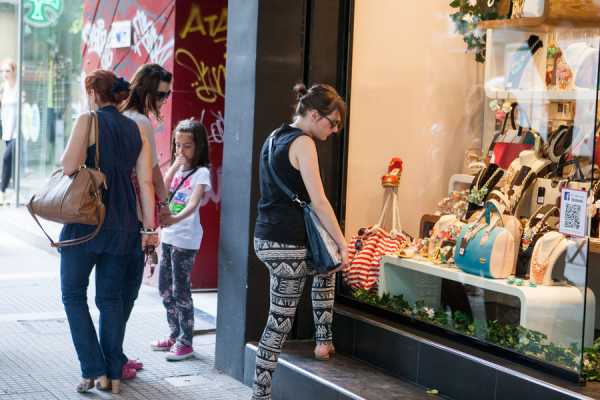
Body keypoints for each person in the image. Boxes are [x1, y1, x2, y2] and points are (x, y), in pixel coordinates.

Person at [59, 70, 157, 394]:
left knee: (73, 295)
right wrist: (149, 229)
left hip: (87, 220)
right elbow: (145, 183)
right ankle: (114, 374)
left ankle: (93, 369)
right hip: (124, 222)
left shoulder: (87, 121)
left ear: (92, 93)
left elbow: (69, 166)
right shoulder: (136, 129)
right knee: (110, 299)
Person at [251, 83, 349, 400]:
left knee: (326, 266)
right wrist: (342, 243)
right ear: (314, 114)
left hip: (266, 237)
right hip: (287, 244)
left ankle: (323, 340)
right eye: (332, 123)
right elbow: (319, 202)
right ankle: (260, 394)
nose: (334, 130)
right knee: (279, 322)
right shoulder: (304, 143)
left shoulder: (273, 137)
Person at [119, 63, 172, 373]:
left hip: (111, 214)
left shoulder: (117, 116)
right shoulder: (141, 122)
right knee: (127, 291)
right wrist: (158, 216)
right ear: (146, 92)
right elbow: (149, 175)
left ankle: (113, 356)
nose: (164, 101)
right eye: (161, 94)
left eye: (167, 95)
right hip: (135, 216)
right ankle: (114, 358)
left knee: (113, 292)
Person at [151, 118, 211, 361]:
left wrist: (174, 219)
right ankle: (174, 334)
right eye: (177, 145)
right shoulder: (176, 169)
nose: (181, 151)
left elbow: (193, 204)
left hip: (185, 239)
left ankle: (186, 342)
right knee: (164, 288)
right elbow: (163, 190)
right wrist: (174, 166)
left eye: (187, 146)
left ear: (198, 147)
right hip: (168, 236)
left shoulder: (201, 173)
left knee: (181, 291)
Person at [0, 59, 17, 205]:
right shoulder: (2, 88)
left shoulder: (19, 88)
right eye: (2, 71)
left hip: (17, 132)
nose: (4, 74)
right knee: (11, 162)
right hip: (6, 131)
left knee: (6, 158)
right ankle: (11, 193)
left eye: (7, 71)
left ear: (14, 72)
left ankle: (2, 191)